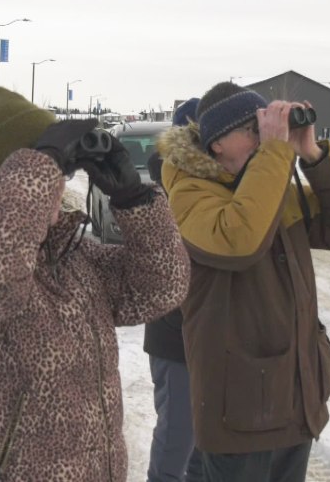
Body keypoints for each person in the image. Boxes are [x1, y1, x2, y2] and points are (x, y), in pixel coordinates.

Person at [0, 88, 191, 481]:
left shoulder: (75, 261)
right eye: (50, 171)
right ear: (8, 177)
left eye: (60, 172)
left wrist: (133, 199)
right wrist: (42, 162)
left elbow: (164, 285)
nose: (58, 185)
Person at [157, 82, 330, 481]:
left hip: (294, 395)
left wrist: (311, 153)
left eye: (265, 128)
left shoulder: (270, 186)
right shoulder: (189, 192)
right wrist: (274, 153)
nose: (264, 139)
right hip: (240, 411)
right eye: (252, 130)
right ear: (216, 143)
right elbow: (238, 241)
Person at [144, 97, 204, 482]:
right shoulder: (164, 193)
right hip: (174, 337)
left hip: (210, 340)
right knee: (176, 440)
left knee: (204, 446)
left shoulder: (217, 189)